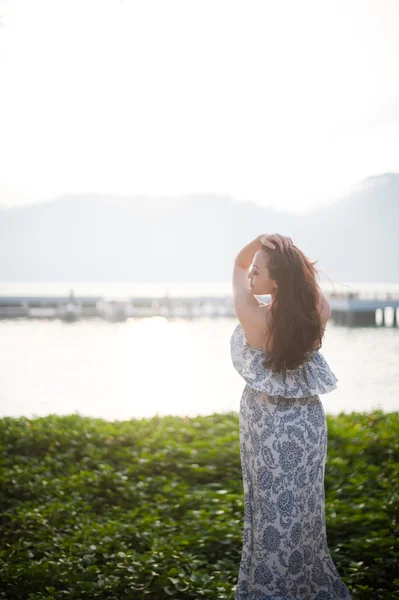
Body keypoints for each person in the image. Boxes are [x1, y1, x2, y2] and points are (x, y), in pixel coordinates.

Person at [230, 233, 352, 600]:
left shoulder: (251, 315)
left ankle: (268, 590)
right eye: (252, 272)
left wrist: (255, 243)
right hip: (306, 425)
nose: (250, 276)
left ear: (276, 281)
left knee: (268, 512)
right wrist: (289, 256)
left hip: (263, 423)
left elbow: (236, 265)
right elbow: (305, 288)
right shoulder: (319, 312)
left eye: (258, 272)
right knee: (303, 513)